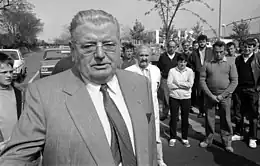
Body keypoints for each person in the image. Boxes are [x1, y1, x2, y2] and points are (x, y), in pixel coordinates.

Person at [0, 9, 157, 166]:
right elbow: (15, 158)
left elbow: (149, 149)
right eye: (89, 46)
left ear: (119, 47)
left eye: (109, 44)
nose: (100, 54)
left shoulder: (140, 84)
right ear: (73, 50)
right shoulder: (42, 94)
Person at [125, 45, 167, 166]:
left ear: (151, 57)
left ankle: (159, 159)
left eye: (146, 55)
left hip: (153, 108)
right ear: (136, 56)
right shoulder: (129, 72)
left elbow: (156, 88)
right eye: (141, 55)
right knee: (138, 136)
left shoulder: (156, 70)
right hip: (137, 110)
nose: (144, 58)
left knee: (156, 135)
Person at [199, 41, 238, 152]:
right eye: (216, 52)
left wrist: (222, 96)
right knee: (209, 119)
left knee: (226, 119)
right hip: (210, 96)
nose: (218, 55)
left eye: (221, 52)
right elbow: (202, 80)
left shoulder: (230, 63)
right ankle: (208, 139)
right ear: (213, 51)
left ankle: (227, 142)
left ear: (224, 51)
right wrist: (210, 95)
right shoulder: (207, 63)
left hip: (225, 97)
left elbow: (234, 81)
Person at [234, 38, 260, 148]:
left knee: (253, 114)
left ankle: (252, 137)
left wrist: (258, 87)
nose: (247, 48)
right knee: (238, 112)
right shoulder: (238, 59)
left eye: (249, 46)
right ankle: (239, 133)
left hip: (252, 89)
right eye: (245, 46)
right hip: (239, 89)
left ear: (254, 47)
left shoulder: (257, 59)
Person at [167, 54, 194, 148]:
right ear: (177, 62)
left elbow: (190, 84)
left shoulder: (190, 71)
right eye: (180, 61)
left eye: (184, 62)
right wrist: (183, 84)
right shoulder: (172, 71)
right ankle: (172, 137)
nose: (182, 64)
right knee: (173, 118)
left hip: (186, 97)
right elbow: (169, 85)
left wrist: (177, 84)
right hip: (174, 97)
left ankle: (184, 137)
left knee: (185, 118)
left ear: (186, 62)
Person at [0, 53, 24, 151]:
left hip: (16, 148)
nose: (9, 75)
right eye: (4, 72)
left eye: (11, 72)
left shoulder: (19, 93)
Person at [189, 35, 214, 118]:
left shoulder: (211, 51)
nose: (202, 43)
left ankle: (208, 111)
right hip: (198, 75)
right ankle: (201, 110)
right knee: (199, 94)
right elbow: (190, 63)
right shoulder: (194, 52)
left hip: (209, 74)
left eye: (203, 41)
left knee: (208, 93)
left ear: (206, 42)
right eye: (200, 42)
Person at [157, 40, 181, 121]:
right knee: (166, 98)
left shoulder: (178, 56)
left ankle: (176, 115)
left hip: (176, 80)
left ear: (176, 47)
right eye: (170, 47)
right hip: (165, 79)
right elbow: (159, 68)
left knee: (176, 98)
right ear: (167, 47)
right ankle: (165, 113)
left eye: (173, 47)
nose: (171, 48)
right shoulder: (163, 56)